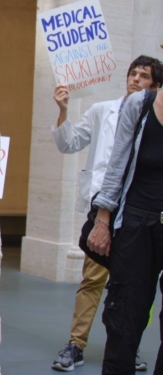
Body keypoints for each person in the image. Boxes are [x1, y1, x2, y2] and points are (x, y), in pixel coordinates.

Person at [50, 55, 163, 372]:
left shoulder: (146, 109)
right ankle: (77, 344)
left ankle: (132, 343)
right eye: (133, 73)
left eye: (144, 76)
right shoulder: (106, 110)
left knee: (137, 292)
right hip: (111, 212)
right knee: (96, 283)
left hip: (141, 215)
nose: (135, 79)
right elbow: (70, 143)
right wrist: (62, 110)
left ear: (155, 84)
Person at [88, 69, 163, 374]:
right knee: (125, 317)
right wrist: (103, 220)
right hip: (135, 224)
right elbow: (117, 162)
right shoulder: (140, 104)